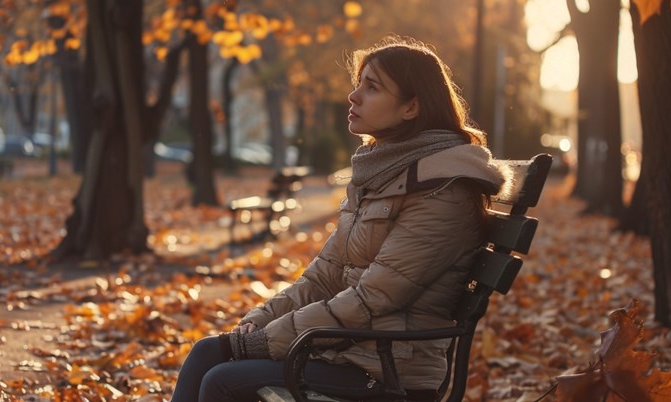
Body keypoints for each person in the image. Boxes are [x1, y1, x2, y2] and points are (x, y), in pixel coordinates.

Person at [170, 35, 511, 402]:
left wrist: (266, 341)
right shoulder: (386, 176)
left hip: (387, 371)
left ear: (411, 107)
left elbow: (372, 299)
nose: (354, 96)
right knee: (207, 352)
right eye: (358, 83)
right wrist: (263, 317)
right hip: (349, 352)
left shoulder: (442, 192)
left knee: (222, 380)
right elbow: (325, 273)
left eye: (372, 87)